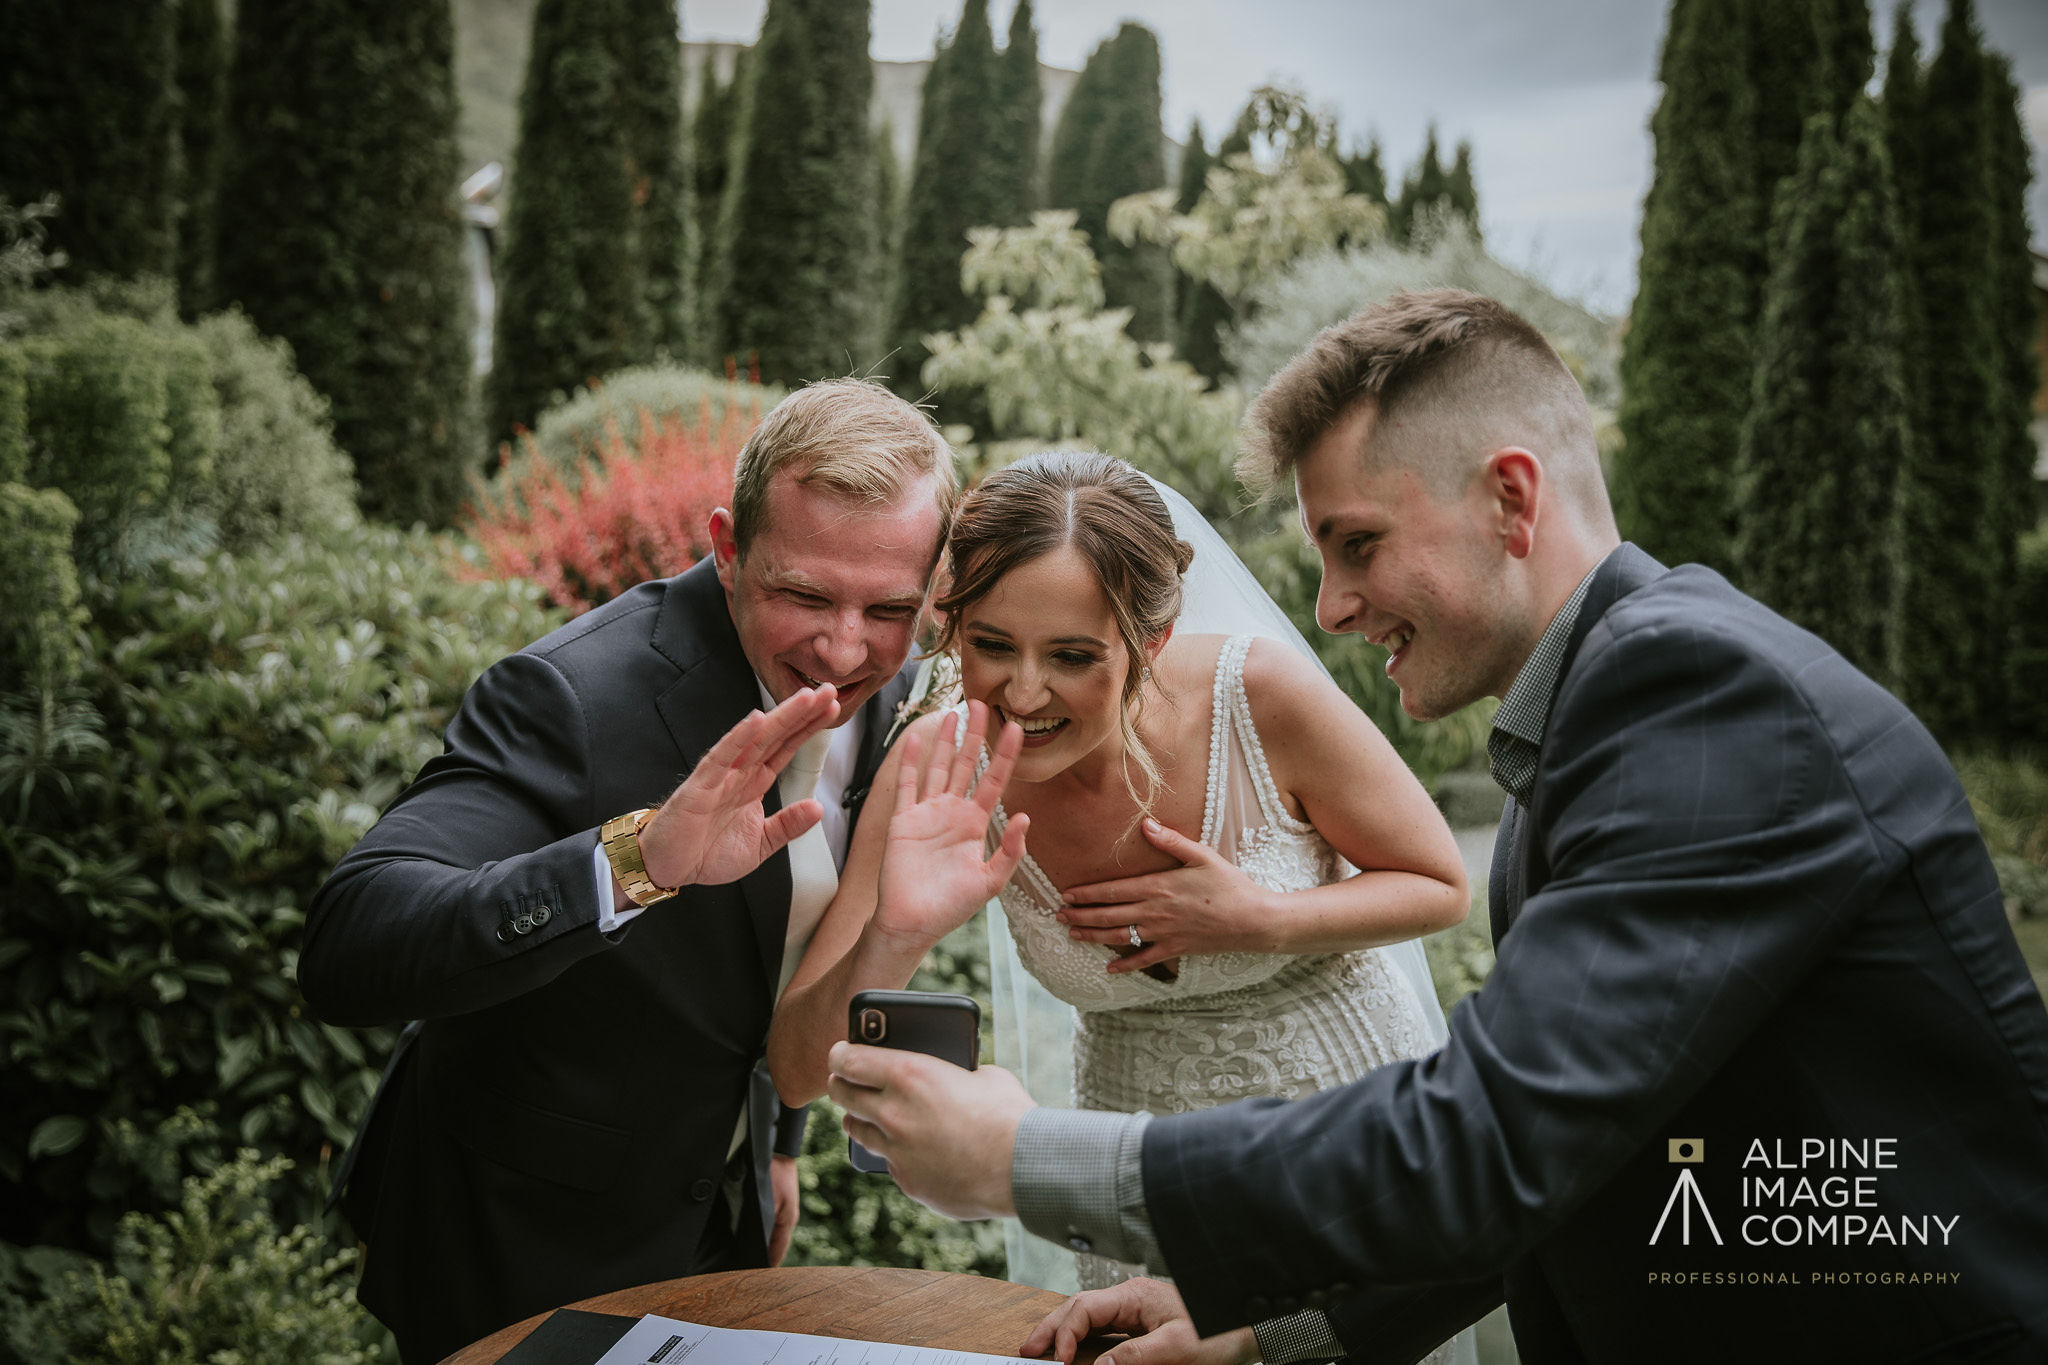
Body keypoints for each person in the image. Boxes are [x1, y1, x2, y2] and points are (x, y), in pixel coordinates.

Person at [823, 292, 2048, 1364]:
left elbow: (1492, 1137)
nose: (1330, 606)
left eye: (1357, 545)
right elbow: (1577, 1145)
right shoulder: (1600, 711)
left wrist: (1027, 1157)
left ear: (1510, 499)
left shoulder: (1694, 695)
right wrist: (1279, 1335)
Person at [299, 378, 958, 1365]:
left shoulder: (900, 696)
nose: (843, 648)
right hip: (515, 1235)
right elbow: (351, 940)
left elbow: (784, 943)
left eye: (890, 608)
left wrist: (774, 1145)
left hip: (710, 1219)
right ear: (728, 550)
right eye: (803, 596)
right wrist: (632, 864)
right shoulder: (570, 696)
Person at [767, 451, 1469, 1358]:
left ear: (1152, 642)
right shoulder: (935, 767)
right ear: (952, 625)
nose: (1024, 692)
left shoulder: (1260, 700)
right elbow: (795, 1073)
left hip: (1340, 1132)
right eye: (990, 645)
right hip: (1130, 1172)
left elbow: (1442, 882)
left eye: (1072, 656)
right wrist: (895, 933)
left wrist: (1261, 919)